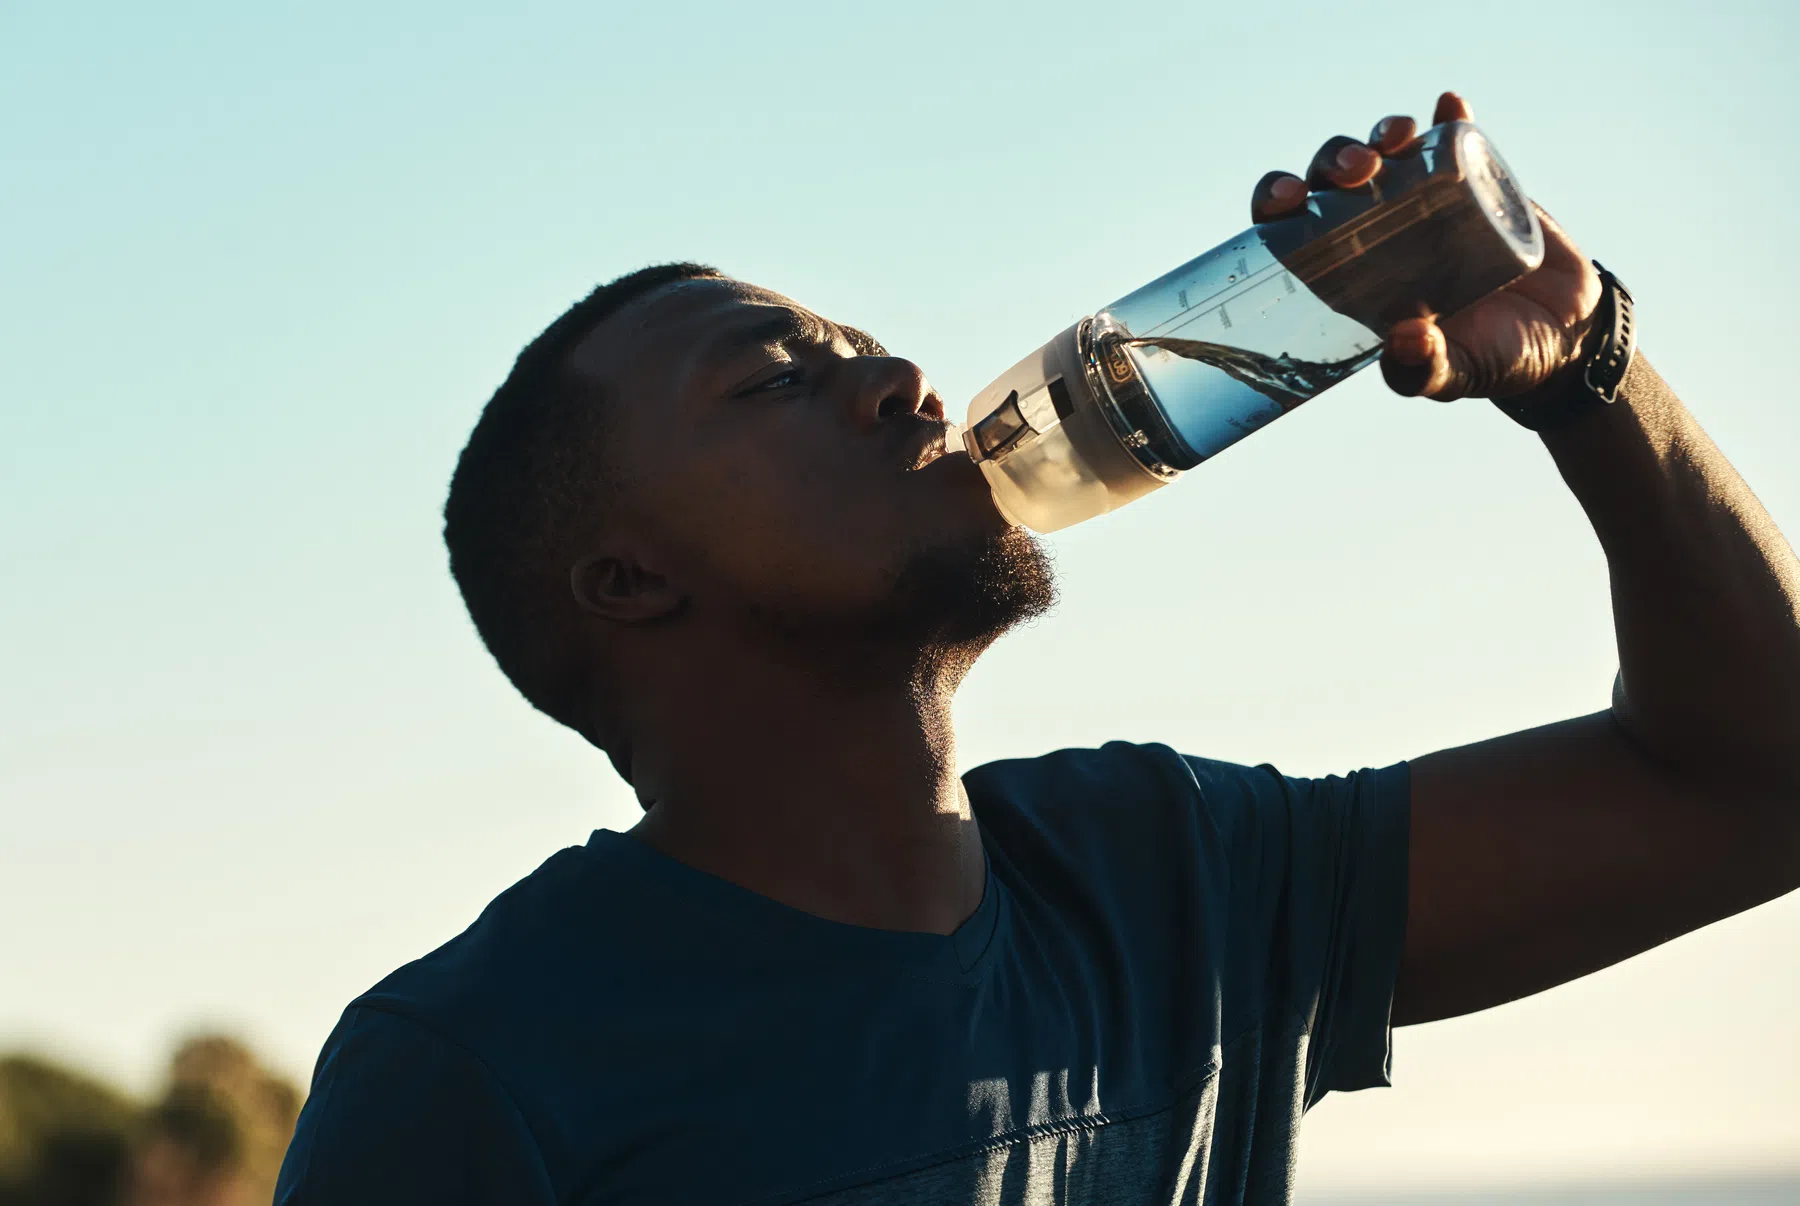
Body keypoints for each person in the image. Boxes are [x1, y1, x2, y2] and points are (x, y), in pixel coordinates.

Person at [273, 93, 1800, 1205]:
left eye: (858, 342)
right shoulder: (482, 1068)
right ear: (629, 578)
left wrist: (1591, 373)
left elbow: (1763, 784)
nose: (897, 377)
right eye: (773, 380)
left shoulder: (1169, 882)